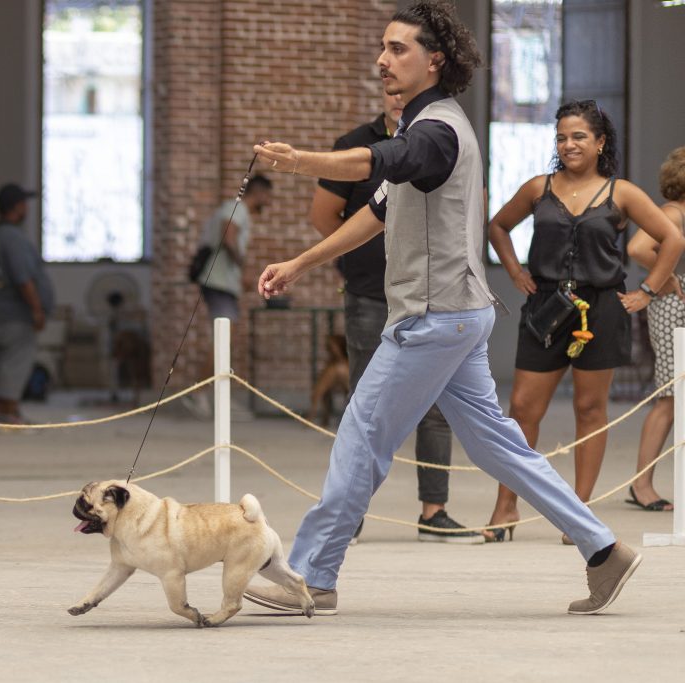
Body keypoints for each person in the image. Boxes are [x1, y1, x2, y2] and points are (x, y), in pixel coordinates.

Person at [242, 1, 654, 617]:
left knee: (361, 435)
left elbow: (368, 164)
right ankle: (604, 550)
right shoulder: (422, 131)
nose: (383, 60)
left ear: (435, 60)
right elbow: (377, 211)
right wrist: (302, 262)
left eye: (398, 49)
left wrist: (299, 161)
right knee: (500, 447)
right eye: (382, 48)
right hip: (459, 313)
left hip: (433, 318)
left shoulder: (436, 132)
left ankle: (309, 575)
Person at [485, 102, 684, 542]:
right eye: (561, 137)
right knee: (521, 411)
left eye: (578, 136)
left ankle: (578, 515)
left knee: (590, 411)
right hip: (545, 308)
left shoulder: (622, 193)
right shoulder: (539, 187)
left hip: (602, 309)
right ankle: (505, 507)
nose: (568, 144)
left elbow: (671, 238)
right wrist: (516, 272)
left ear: (600, 142)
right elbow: (498, 225)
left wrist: (648, 289)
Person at [310, 90, 480, 543]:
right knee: (365, 405)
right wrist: (352, 258)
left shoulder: (440, 137)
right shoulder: (354, 142)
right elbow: (326, 213)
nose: (397, 96)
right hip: (370, 292)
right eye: (390, 88)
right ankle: (351, 511)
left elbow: (469, 206)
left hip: (432, 298)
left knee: (439, 406)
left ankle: (434, 508)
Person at [624, 146, 685, 512]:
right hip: (670, 309)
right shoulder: (672, 213)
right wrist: (668, 280)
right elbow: (637, 247)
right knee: (669, 398)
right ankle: (641, 484)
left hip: (676, 305)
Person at [182, 175, 272, 419]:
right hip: (218, 282)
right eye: (268, 196)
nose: (269, 201)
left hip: (223, 283)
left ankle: (216, 396)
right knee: (223, 337)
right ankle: (198, 392)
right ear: (259, 193)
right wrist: (243, 268)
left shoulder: (237, 210)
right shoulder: (237, 208)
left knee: (226, 339)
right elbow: (229, 236)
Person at [0, 183, 54, 425]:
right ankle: (9, 413)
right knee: (16, 362)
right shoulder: (12, 238)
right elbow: (23, 277)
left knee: (3, 362)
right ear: (17, 207)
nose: (27, 209)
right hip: (18, 311)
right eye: (25, 204)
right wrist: (36, 309)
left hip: (0, 308)